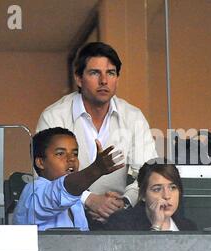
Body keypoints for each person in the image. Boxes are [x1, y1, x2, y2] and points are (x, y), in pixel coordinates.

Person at [36, 42, 157, 226]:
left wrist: (123, 203)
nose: (104, 81)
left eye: (111, 73)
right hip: (65, 218)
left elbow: (148, 174)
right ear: (78, 78)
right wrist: (89, 199)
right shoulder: (54, 116)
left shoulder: (133, 117)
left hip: (120, 217)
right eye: (94, 73)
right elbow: (43, 179)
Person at [12, 127, 124, 231]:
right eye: (60, 153)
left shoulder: (76, 201)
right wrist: (95, 170)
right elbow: (61, 191)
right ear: (40, 162)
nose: (71, 159)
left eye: (75, 154)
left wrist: (109, 211)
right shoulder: (33, 192)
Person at [92, 158, 197, 231]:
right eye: (157, 189)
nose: (166, 196)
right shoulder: (122, 224)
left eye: (172, 187)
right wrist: (156, 226)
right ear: (143, 195)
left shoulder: (188, 227)